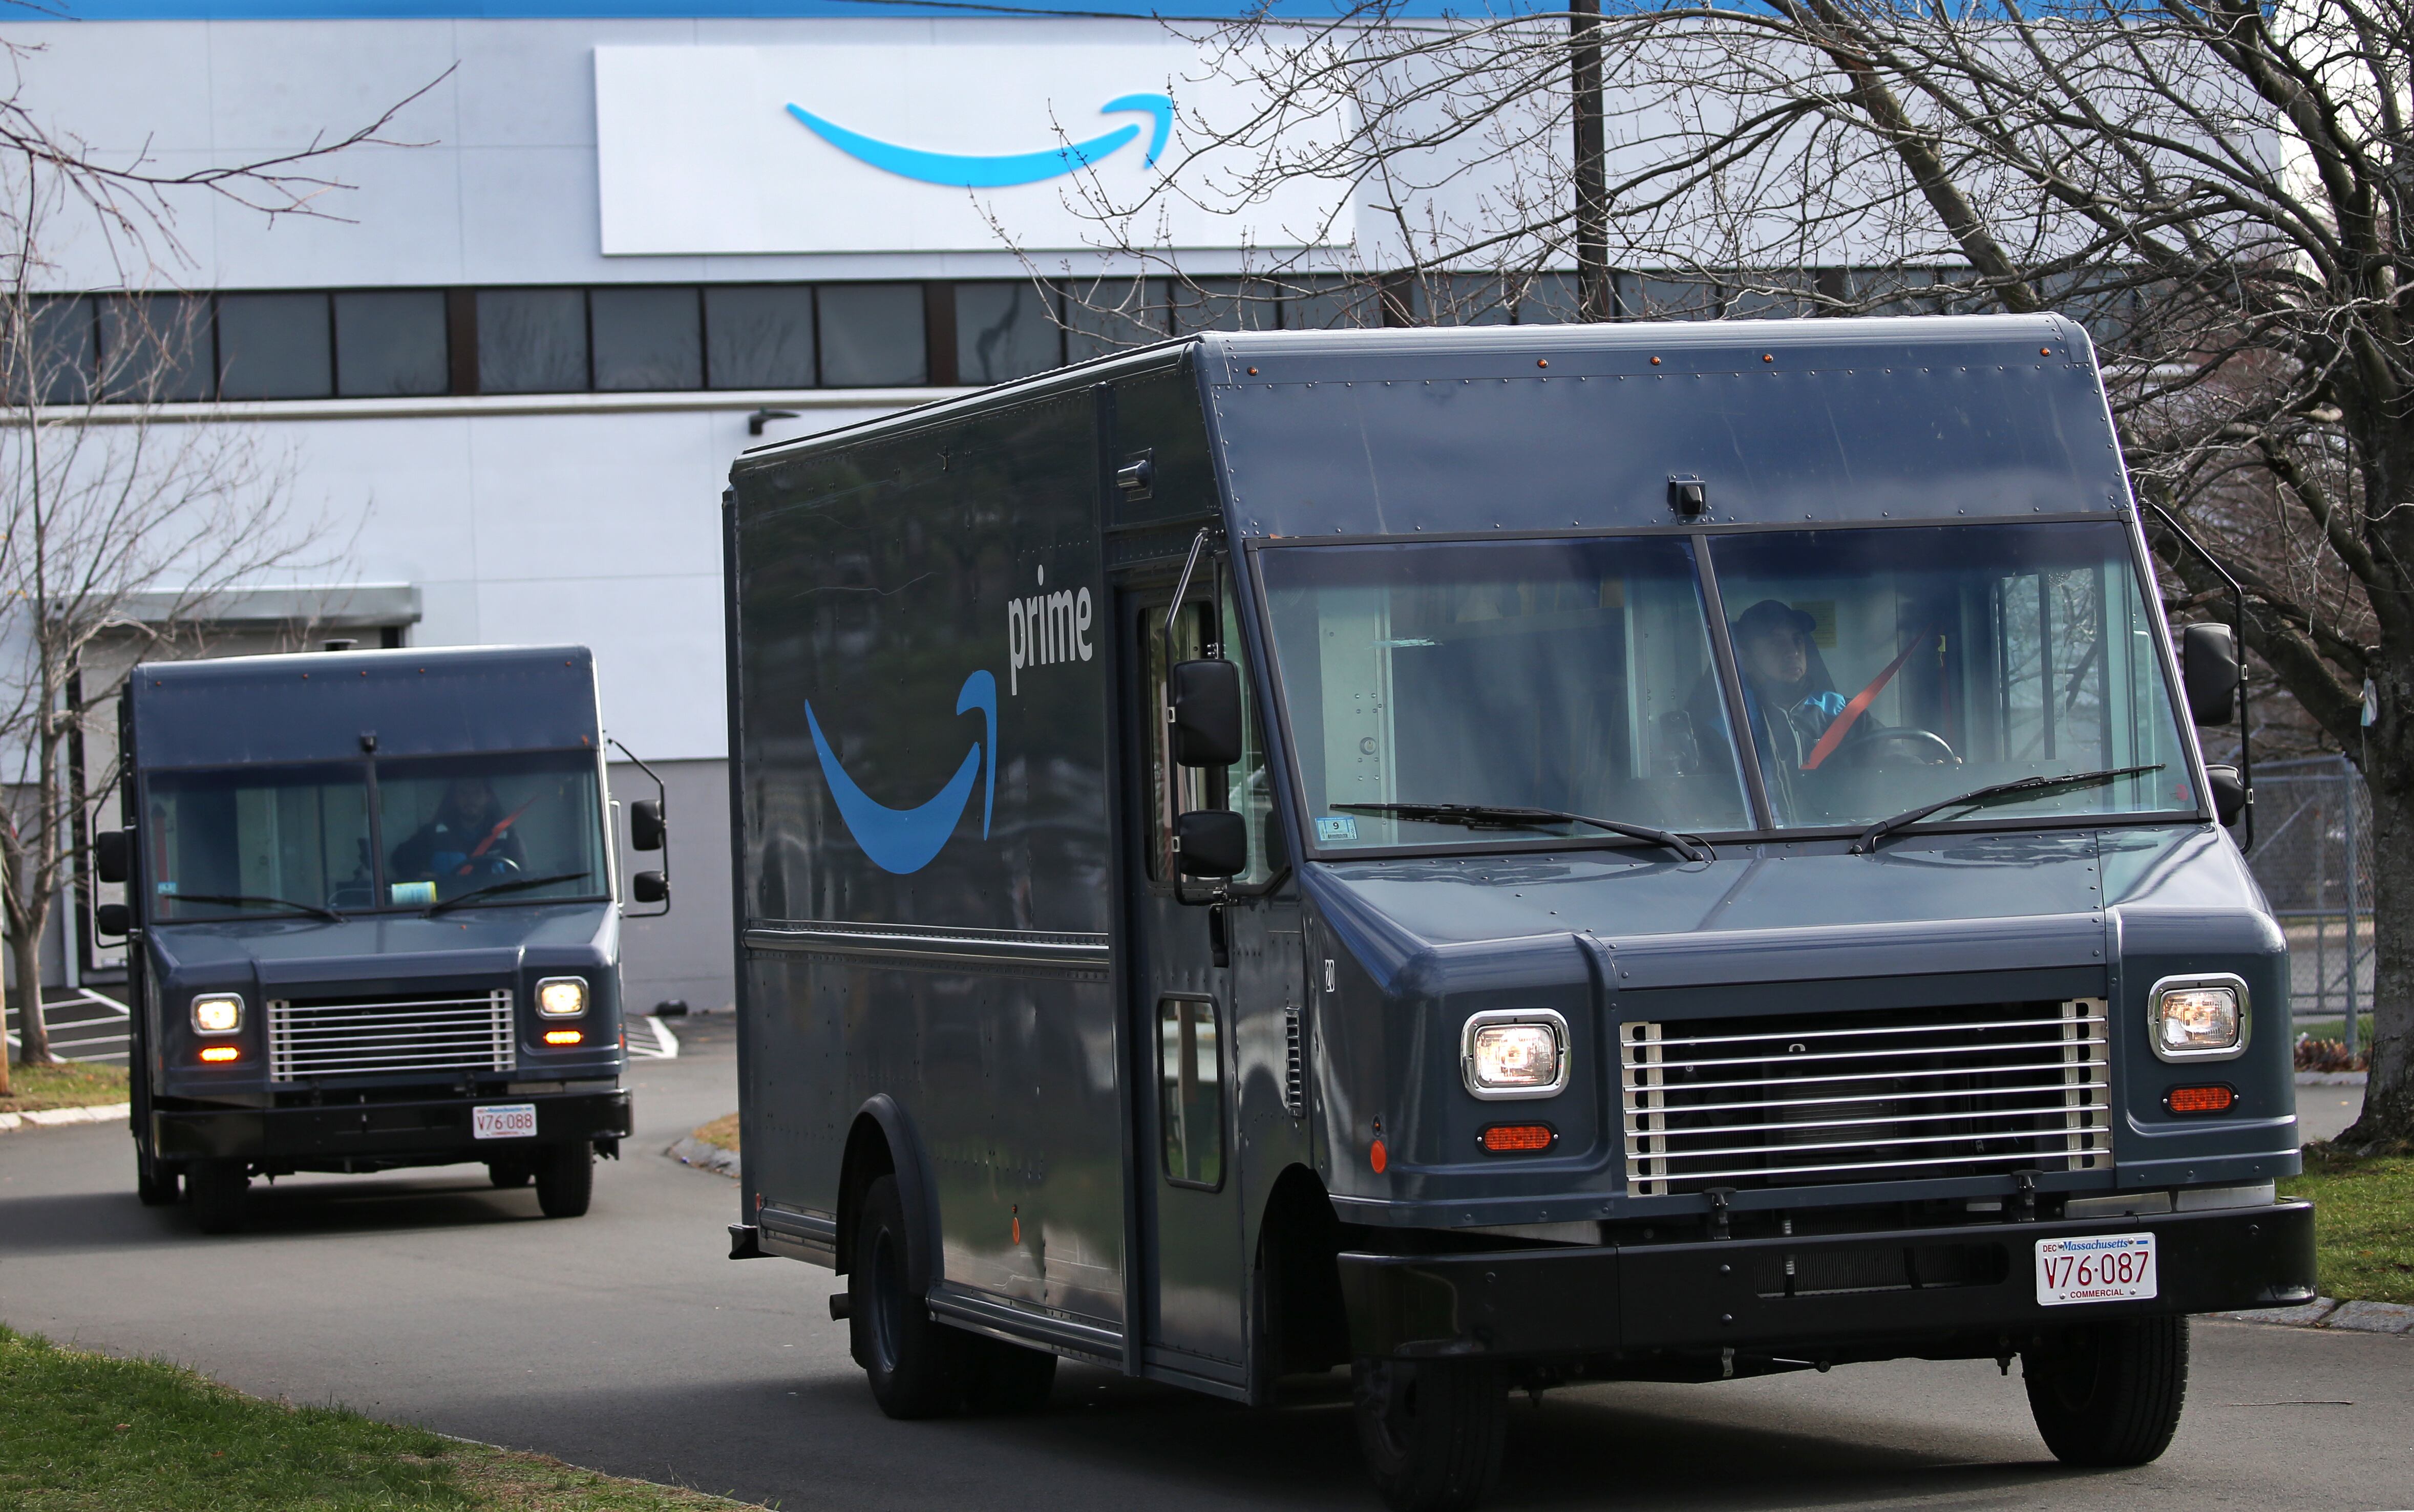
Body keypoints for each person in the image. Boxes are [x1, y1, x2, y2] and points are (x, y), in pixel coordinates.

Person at [1687, 600, 1858, 805]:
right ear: (1746, 659)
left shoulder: (1842, 712)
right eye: (1776, 642)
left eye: (1798, 640)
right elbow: (1707, 803)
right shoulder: (1727, 726)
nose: (1793, 652)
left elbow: (1889, 761)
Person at [388, 777, 527, 888]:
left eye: (477, 792)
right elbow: (398, 859)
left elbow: (522, 875)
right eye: (463, 793)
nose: (470, 799)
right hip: (444, 908)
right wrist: (420, 876)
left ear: (488, 797)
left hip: (495, 909)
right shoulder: (433, 834)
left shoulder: (506, 835)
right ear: (455, 798)